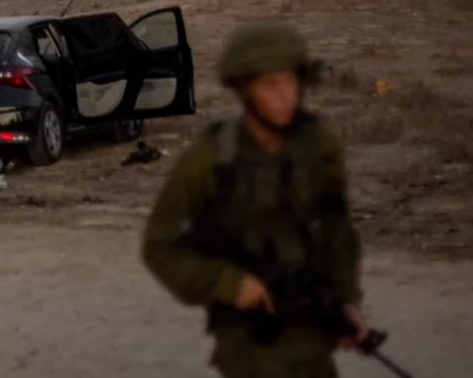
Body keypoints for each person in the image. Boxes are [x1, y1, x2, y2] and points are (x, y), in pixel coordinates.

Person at [142, 21, 367, 378]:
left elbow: (338, 231)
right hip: (247, 342)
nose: (286, 96)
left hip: (312, 336)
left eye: (292, 82)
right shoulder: (209, 160)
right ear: (244, 89)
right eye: (270, 85)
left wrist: (345, 303)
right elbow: (159, 247)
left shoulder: (321, 148)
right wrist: (228, 283)